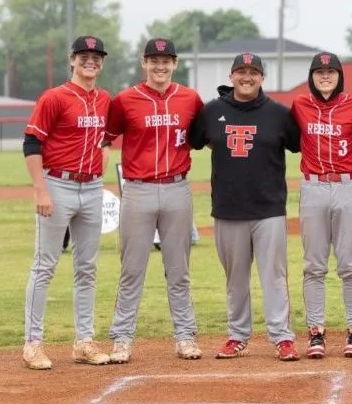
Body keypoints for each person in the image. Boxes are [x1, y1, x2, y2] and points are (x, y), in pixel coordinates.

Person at [187, 52, 302, 362]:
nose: (247, 77)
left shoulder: (278, 114)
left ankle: (282, 337)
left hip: (269, 209)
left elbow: (297, 144)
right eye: (241, 71)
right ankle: (238, 335)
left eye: (253, 72)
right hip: (228, 209)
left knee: (274, 277)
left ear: (262, 78)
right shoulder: (212, 112)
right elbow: (197, 140)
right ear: (231, 76)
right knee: (235, 279)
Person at [103, 38, 205, 363]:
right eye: (154, 60)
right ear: (143, 63)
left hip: (177, 188)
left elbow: (204, 137)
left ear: (175, 63)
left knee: (179, 269)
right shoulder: (125, 100)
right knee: (132, 269)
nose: (160, 66)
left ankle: (185, 337)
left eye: (166, 61)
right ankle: (121, 339)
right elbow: (105, 138)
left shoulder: (190, 99)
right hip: (137, 189)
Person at [20, 35, 112, 370]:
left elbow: (108, 138)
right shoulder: (55, 97)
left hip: (92, 187)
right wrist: (40, 189)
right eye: (85, 56)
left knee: (87, 268)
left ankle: (83, 342)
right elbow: (31, 143)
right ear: (72, 59)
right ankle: (33, 344)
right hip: (58, 184)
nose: (91, 61)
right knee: (45, 266)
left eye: (97, 57)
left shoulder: (104, 99)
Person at [290, 52, 352, 359]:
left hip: (346, 186)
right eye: (319, 72)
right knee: (314, 265)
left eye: (331, 72)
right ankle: (316, 332)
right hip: (313, 187)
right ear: (311, 76)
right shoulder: (300, 106)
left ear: (340, 76)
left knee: (350, 264)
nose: (325, 76)